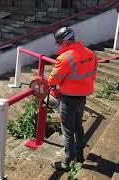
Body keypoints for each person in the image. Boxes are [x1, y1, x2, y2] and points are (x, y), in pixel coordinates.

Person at [48, 27, 98, 171]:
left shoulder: (65, 58)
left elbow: (53, 81)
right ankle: (80, 155)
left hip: (68, 99)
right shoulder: (90, 53)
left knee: (68, 131)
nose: (58, 46)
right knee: (78, 126)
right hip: (82, 97)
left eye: (58, 43)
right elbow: (93, 73)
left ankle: (67, 162)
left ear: (64, 41)